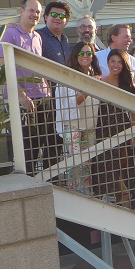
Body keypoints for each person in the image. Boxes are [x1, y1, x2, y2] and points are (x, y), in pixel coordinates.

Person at [0, 0, 60, 175]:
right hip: (23, 100)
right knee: (27, 145)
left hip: (43, 97)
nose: (35, 15)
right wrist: (21, 96)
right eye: (31, 10)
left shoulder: (38, 37)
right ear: (21, 11)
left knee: (44, 140)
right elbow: (5, 68)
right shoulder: (10, 34)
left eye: (38, 12)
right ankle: (28, 181)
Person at [54, 41, 101, 193]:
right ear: (76, 55)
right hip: (72, 125)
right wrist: (89, 88)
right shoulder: (68, 76)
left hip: (89, 126)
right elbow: (72, 103)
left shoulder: (96, 76)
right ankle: (74, 193)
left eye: (89, 53)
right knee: (74, 161)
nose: (85, 56)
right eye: (82, 53)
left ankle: (86, 194)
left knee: (87, 162)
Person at [95, 50, 135, 207]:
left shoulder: (127, 85)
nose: (116, 65)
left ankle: (125, 197)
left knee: (122, 164)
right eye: (112, 61)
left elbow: (134, 112)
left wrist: (134, 135)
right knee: (107, 164)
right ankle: (118, 195)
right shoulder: (100, 82)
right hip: (104, 128)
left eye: (120, 62)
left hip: (123, 128)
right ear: (107, 63)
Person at [38, 1, 72, 65]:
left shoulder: (64, 39)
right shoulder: (38, 36)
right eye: (54, 14)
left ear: (66, 21)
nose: (58, 18)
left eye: (62, 16)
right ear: (46, 17)